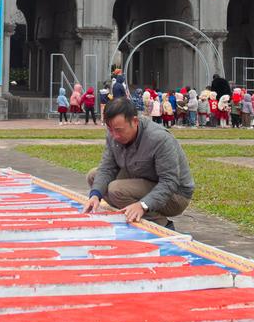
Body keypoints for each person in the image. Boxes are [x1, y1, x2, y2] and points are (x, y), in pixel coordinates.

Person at [83, 97, 195, 229]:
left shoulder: (159, 138)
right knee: (94, 176)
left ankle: (162, 224)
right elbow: (107, 168)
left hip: (175, 195)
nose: (114, 135)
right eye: (110, 129)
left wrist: (143, 205)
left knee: (116, 190)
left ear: (135, 121)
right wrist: (95, 195)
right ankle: (130, 211)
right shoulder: (113, 133)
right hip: (142, 178)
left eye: (119, 130)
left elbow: (169, 182)